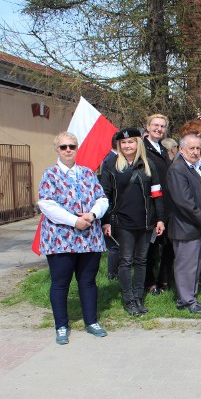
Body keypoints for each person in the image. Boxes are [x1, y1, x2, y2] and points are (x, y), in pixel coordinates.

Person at [37, 131, 109, 344]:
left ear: (77, 148)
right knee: (60, 283)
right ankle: (61, 325)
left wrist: (92, 214)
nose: (68, 150)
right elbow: (46, 204)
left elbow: (102, 198)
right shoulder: (50, 175)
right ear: (57, 150)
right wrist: (73, 221)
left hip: (89, 238)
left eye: (72, 146)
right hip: (61, 239)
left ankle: (92, 321)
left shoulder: (88, 173)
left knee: (87, 282)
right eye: (63, 147)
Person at [100, 128, 165, 316]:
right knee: (126, 261)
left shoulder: (148, 164)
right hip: (122, 222)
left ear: (138, 143)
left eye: (131, 142)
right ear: (119, 145)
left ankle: (138, 298)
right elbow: (105, 195)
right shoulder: (111, 165)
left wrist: (160, 218)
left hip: (145, 222)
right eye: (123, 143)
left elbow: (157, 194)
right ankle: (128, 299)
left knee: (142, 260)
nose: (127, 146)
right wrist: (106, 221)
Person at [166, 133, 201, 314]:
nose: (195, 152)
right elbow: (184, 201)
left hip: (197, 226)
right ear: (181, 149)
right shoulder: (178, 169)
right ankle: (186, 301)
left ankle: (190, 297)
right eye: (191, 149)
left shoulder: (195, 167)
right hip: (186, 226)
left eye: (198, 148)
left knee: (194, 264)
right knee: (186, 266)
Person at [143, 114, 174, 296]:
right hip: (152, 205)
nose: (159, 129)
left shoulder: (162, 149)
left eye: (162, 126)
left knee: (168, 244)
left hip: (167, 204)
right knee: (151, 247)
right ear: (148, 126)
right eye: (155, 125)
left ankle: (164, 279)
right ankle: (150, 282)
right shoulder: (143, 149)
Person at [98, 132, 120, 281]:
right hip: (111, 209)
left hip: (112, 208)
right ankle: (112, 274)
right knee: (114, 245)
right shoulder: (111, 160)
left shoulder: (111, 158)